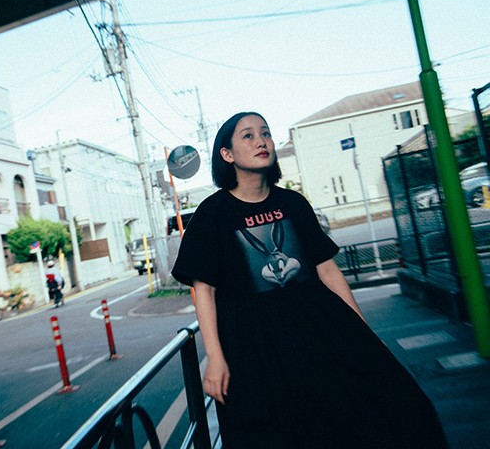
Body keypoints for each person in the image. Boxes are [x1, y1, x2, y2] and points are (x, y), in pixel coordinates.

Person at [171, 112, 449, 448]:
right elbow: (204, 290)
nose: (261, 141)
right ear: (227, 154)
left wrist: (364, 332)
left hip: (318, 331)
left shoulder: (293, 203)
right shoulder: (212, 213)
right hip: (254, 346)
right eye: (248, 135)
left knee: (388, 409)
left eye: (265, 133)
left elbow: (327, 270)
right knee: (275, 433)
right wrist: (215, 357)